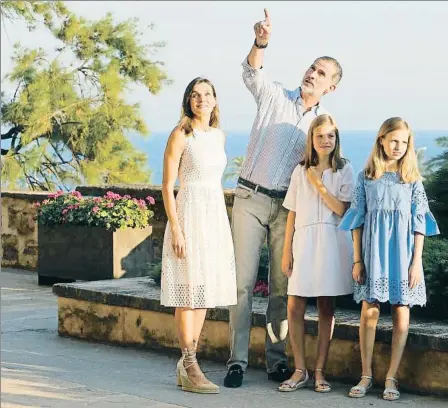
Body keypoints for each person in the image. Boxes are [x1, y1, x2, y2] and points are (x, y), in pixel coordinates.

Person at [224, 8, 343, 388]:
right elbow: (250, 72)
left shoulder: (322, 127)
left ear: (331, 87)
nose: (312, 73)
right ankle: (237, 361)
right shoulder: (274, 95)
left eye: (321, 73)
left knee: (282, 287)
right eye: (311, 67)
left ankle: (275, 361)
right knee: (241, 285)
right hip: (250, 198)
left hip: (286, 210)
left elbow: (327, 166)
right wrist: (261, 41)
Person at [339, 117, 440, 401]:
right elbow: (357, 222)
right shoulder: (366, 177)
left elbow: (420, 224)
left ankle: (391, 377)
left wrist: (416, 261)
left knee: (401, 310)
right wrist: (357, 260)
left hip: (404, 255)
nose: (398, 146)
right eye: (393, 140)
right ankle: (366, 374)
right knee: (369, 310)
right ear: (381, 140)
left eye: (404, 142)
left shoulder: (412, 180)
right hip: (374, 254)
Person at [160, 77, 237, 394]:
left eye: (207, 94)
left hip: (213, 216)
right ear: (188, 101)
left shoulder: (219, 136)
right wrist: (176, 227)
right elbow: (167, 185)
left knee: (204, 290)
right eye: (195, 95)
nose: (201, 99)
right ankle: (189, 363)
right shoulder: (181, 134)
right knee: (187, 291)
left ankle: (188, 363)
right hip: (189, 214)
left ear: (216, 100)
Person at [278, 114, 354, 393]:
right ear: (312, 138)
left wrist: (319, 183)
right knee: (294, 305)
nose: (325, 141)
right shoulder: (300, 171)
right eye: (320, 136)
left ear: (337, 139)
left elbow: (342, 210)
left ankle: (320, 371)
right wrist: (287, 251)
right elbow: (292, 213)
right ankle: (300, 369)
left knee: (326, 307)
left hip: (332, 242)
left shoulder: (344, 169)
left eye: (330, 136)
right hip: (304, 240)